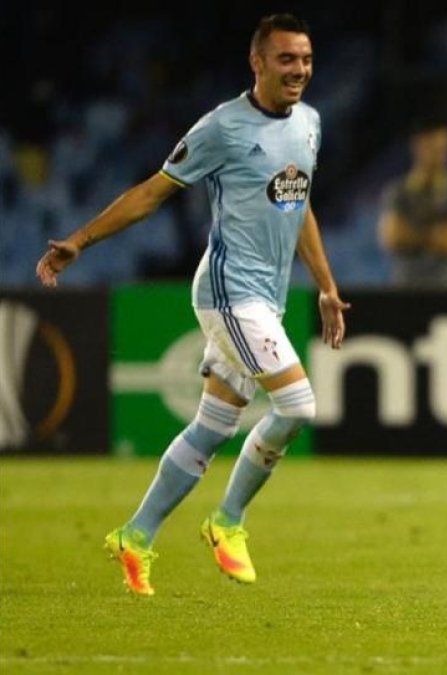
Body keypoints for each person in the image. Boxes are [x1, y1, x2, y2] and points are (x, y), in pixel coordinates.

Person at [35, 14, 349, 596]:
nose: (299, 70)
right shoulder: (222, 128)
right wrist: (80, 239)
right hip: (230, 292)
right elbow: (153, 193)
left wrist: (326, 286)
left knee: (213, 425)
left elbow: (297, 203)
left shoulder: (309, 123)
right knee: (299, 406)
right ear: (257, 63)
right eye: (286, 59)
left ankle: (135, 535)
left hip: (268, 297)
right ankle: (228, 521)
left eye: (305, 59)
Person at [377, 119, 447, 287]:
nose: (441, 156)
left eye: (445, 150)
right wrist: (437, 235)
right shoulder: (399, 191)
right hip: (405, 286)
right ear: (419, 147)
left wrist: (413, 233)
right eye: (434, 149)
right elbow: (392, 237)